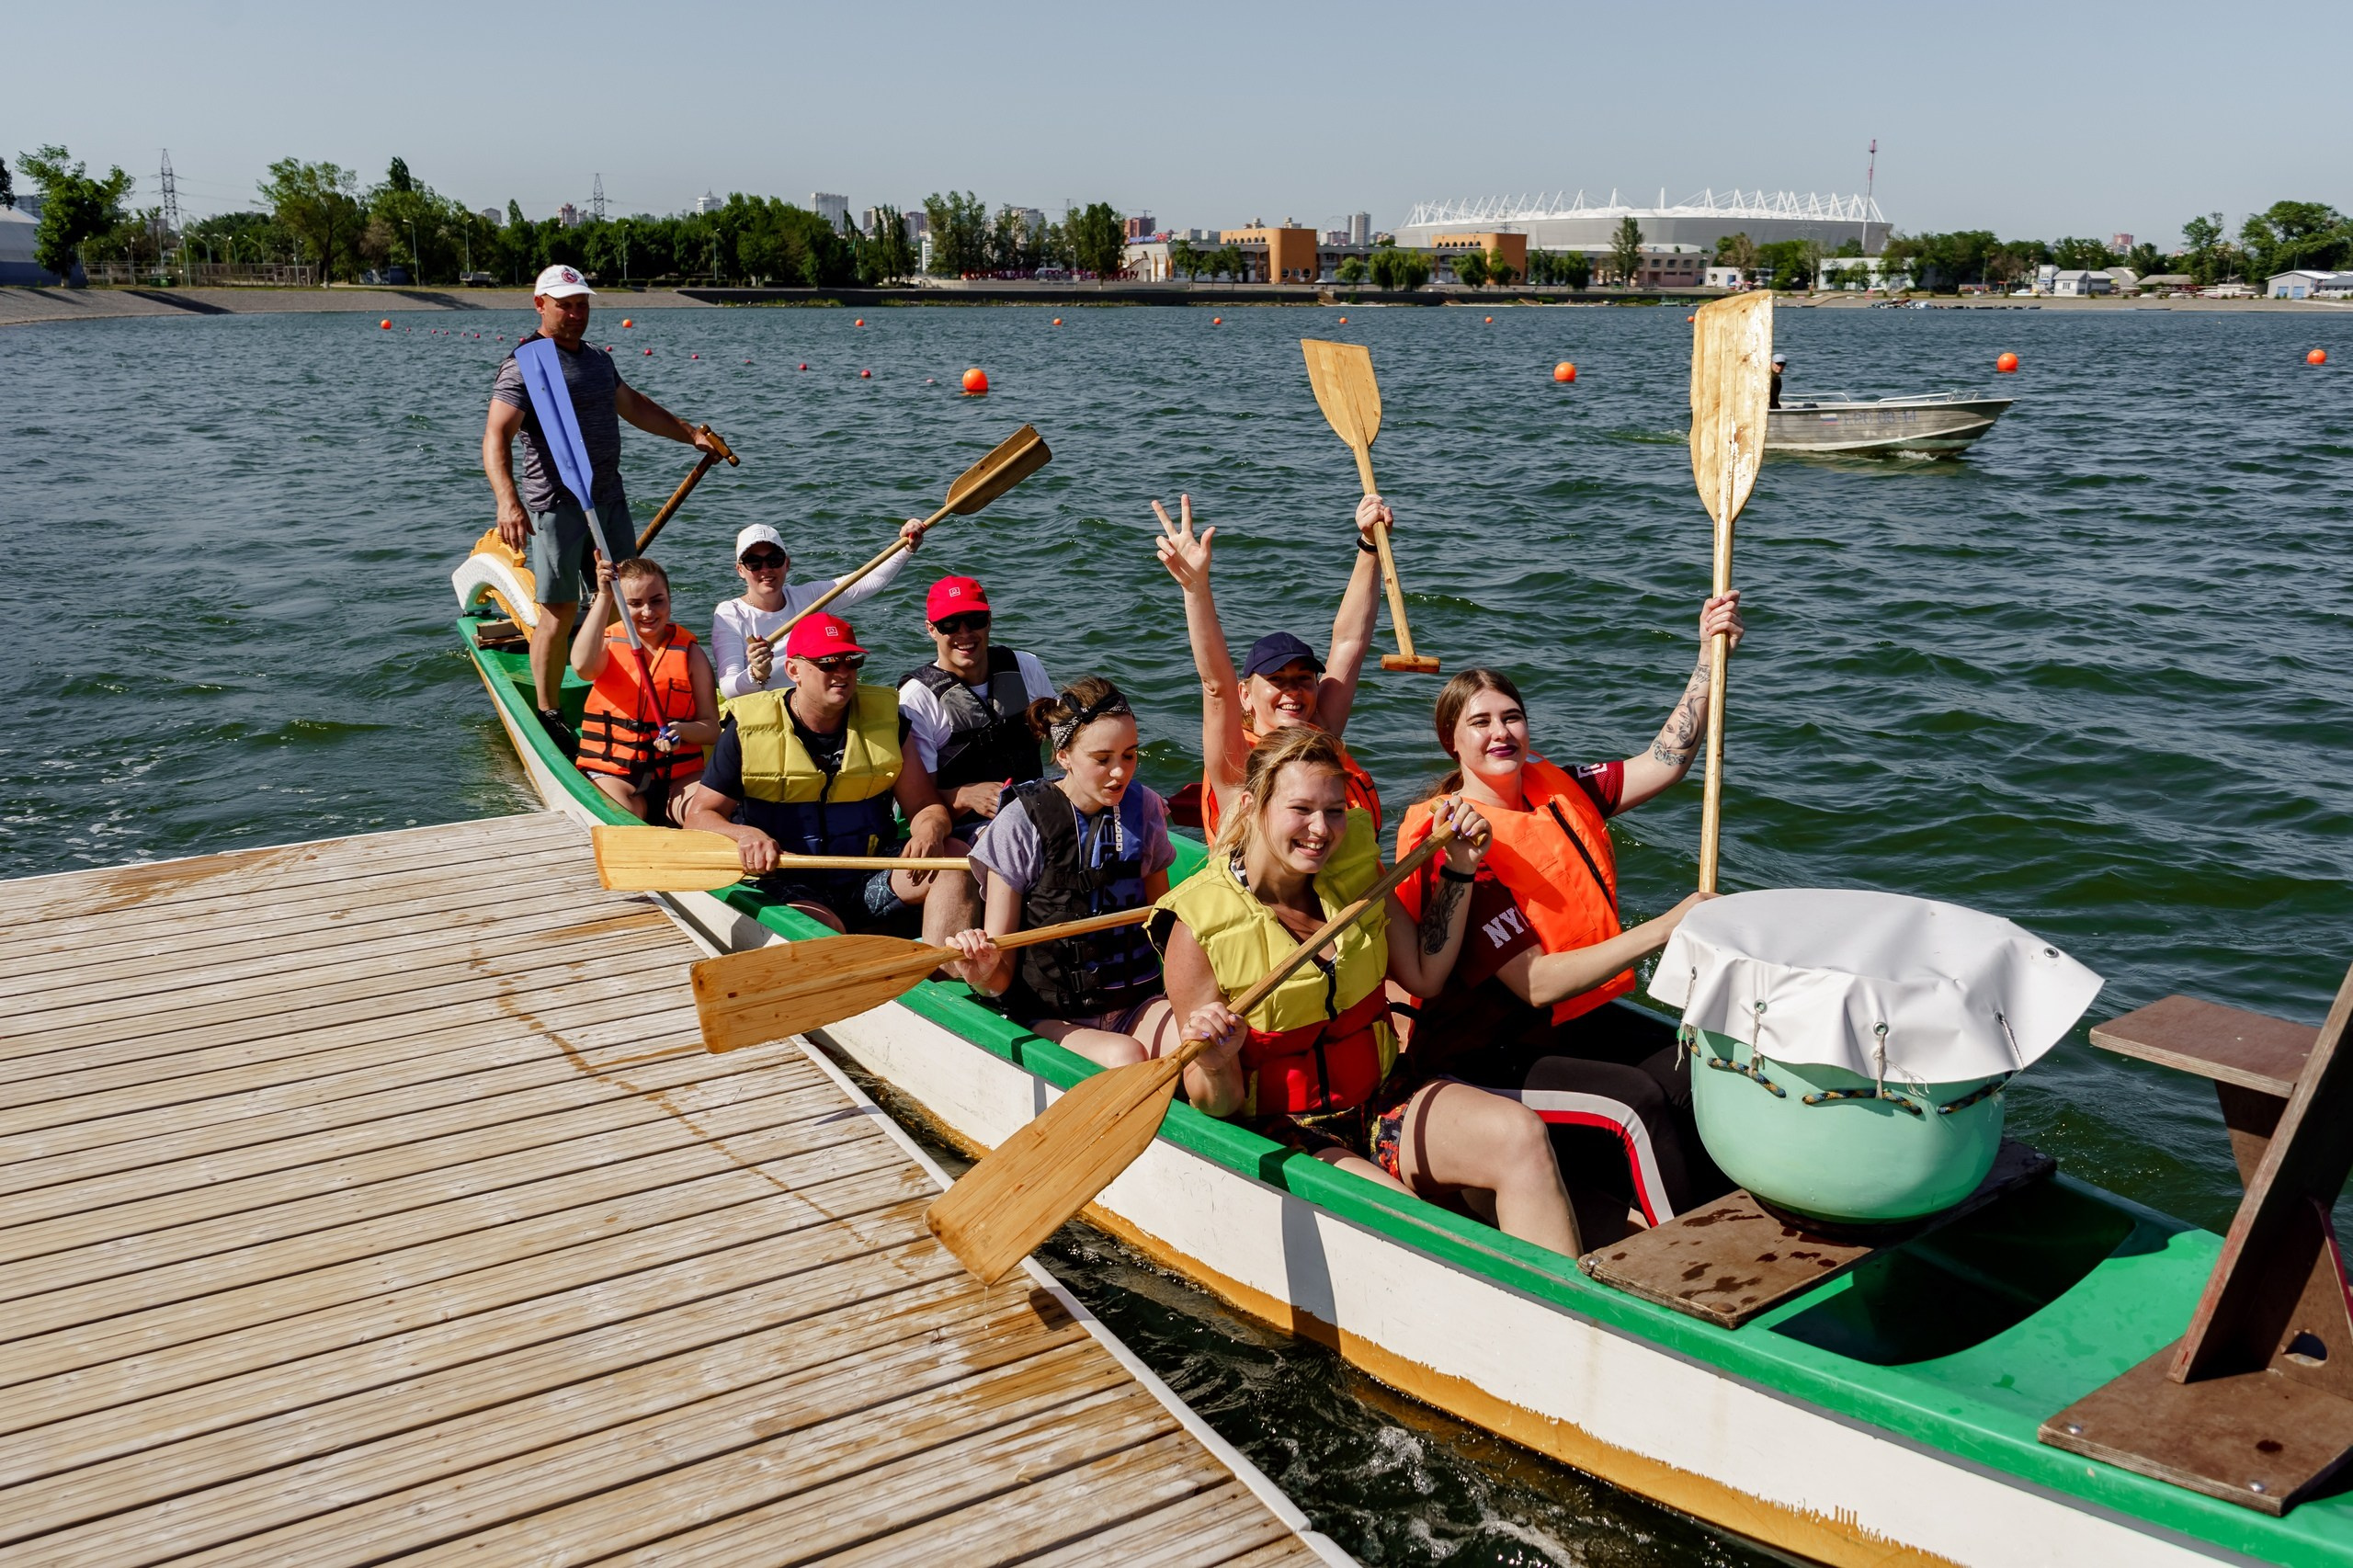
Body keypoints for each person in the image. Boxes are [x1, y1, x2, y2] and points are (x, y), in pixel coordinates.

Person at [1154, 725, 1586, 1256]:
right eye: (1301, 810)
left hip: (1382, 1095)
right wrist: (1218, 1065)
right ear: (1250, 806)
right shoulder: (1195, 927)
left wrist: (1460, 869)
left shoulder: (1354, 874)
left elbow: (1425, 975)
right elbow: (1214, 1106)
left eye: (1335, 811)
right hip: (1285, 1127)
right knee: (1415, 1224)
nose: (1321, 831)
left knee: (1521, 1136)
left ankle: (1573, 1316)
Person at [1391, 593, 1745, 1239]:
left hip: (1568, 1026)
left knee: (1698, 1063)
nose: (1501, 733)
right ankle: (1689, 1253)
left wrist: (1707, 658)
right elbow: (1535, 984)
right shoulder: (1456, 842)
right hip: (1489, 1051)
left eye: (1512, 717)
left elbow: (1665, 761)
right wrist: (1670, 925)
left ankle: (1738, 1213)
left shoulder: (1560, 788)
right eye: (1481, 723)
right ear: (1452, 741)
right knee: (1635, 1104)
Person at [483, 264, 726, 750]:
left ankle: (617, 695)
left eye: (582, 305)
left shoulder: (597, 359)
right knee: (559, 609)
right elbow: (496, 436)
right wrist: (508, 502)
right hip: (557, 504)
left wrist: (689, 434)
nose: (576, 314)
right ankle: (549, 711)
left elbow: (633, 406)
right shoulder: (524, 363)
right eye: (565, 305)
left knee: (621, 599)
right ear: (540, 306)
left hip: (609, 498)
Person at [683, 611, 975, 942]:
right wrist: (744, 836)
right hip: (784, 879)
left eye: (851, 662)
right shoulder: (746, 730)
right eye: (827, 663)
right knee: (823, 928)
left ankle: (942, 978)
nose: (842, 672)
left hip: (867, 870)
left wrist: (929, 832)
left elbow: (925, 805)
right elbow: (698, 817)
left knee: (955, 857)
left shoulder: (888, 723)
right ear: (793, 670)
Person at [944, 678, 1178, 1069]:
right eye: (1102, 759)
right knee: (1126, 1056)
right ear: (1064, 755)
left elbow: (1165, 931)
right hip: (1051, 1015)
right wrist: (979, 972)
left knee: (1205, 1037)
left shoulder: (1146, 807)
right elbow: (999, 978)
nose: (1120, 773)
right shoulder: (1020, 823)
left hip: (1138, 1003)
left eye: (1130, 755)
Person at [1154, 493, 1389, 834]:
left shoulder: (1319, 731)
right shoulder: (1237, 763)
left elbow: (1350, 642)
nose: (1292, 691)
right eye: (1277, 680)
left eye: (1304, 679)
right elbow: (1216, 687)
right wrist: (1195, 588)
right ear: (1245, 696)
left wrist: (1369, 544)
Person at [569, 556, 720, 824]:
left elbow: (710, 729)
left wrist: (681, 730)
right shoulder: (607, 643)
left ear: (670, 601)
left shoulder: (691, 655)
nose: (648, 612)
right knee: (625, 815)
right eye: (635, 604)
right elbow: (582, 667)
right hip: (615, 773)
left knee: (706, 813)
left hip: (677, 776)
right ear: (621, 605)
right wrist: (604, 596)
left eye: (657, 600)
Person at [898, 575, 1054, 830]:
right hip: (963, 828)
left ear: (989, 621)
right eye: (949, 624)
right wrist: (964, 796)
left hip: (1031, 812)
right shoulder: (916, 700)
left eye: (975, 620)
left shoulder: (1025, 666)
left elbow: (1064, 739)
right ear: (931, 629)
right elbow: (916, 805)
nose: (964, 633)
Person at [712, 521, 925, 700]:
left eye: (774, 560)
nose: (766, 569)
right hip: (765, 711)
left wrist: (905, 547)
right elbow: (729, 688)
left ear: (787, 563)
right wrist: (756, 674)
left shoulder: (808, 597)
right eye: (754, 563)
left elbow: (867, 580)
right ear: (740, 570)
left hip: (813, 706)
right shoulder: (730, 614)